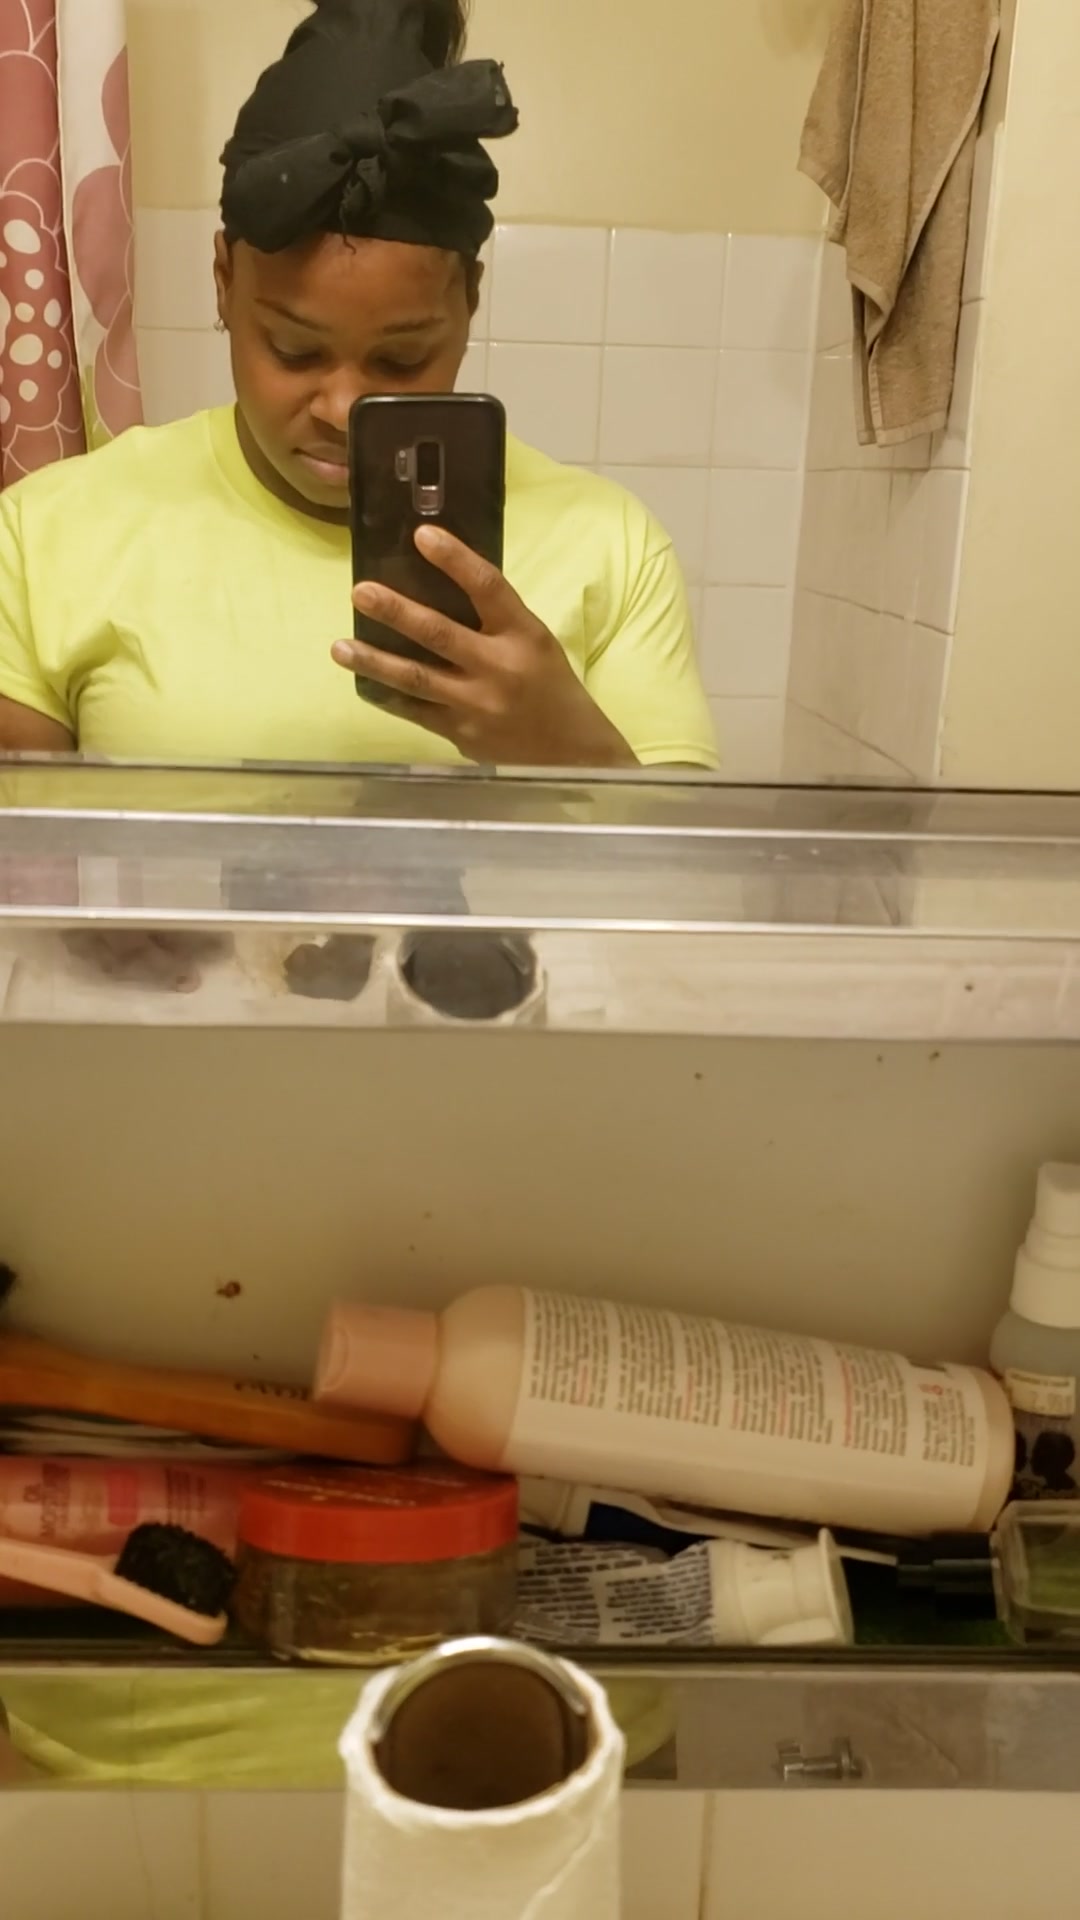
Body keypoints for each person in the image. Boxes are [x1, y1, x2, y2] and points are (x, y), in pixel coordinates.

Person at [0, 0, 717, 772]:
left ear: (470, 301)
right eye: (293, 350)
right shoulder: (46, 538)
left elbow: (682, 853)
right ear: (223, 283)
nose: (344, 409)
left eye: (402, 361)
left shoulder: (611, 547)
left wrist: (572, 753)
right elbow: (30, 846)